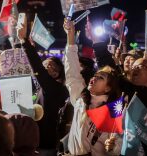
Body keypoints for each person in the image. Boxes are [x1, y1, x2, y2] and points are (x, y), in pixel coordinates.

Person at [64, 19, 122, 156]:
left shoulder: (113, 111)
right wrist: (70, 37)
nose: (94, 78)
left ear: (108, 88)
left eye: (101, 78)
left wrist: (114, 147)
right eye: (95, 76)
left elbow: (117, 143)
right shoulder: (80, 98)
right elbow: (72, 71)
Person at [17, 19, 69, 156]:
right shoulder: (39, 87)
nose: (46, 66)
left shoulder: (56, 88)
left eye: (50, 66)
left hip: (46, 145)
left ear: (57, 73)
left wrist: (24, 41)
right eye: (45, 63)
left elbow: (37, 68)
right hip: (34, 142)